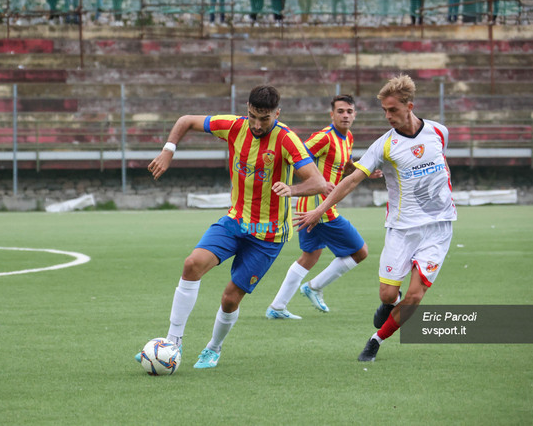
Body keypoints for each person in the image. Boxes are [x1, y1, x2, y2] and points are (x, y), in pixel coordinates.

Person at [139, 85, 327, 370]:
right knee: (192, 265)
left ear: (278, 113)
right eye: (253, 116)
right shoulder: (234, 127)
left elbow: (318, 182)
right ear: (247, 109)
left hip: (268, 235)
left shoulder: (287, 140)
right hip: (235, 220)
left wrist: (293, 188)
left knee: (229, 298)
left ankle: (213, 348)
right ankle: (172, 342)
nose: (257, 124)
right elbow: (185, 120)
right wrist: (168, 150)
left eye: (265, 119)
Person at [295, 74, 457, 363]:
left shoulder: (439, 132)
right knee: (387, 294)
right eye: (384, 110)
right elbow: (352, 180)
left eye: (393, 109)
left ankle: (375, 340)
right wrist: (319, 209)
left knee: (415, 297)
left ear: (410, 106)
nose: (388, 116)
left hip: (438, 228)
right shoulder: (383, 145)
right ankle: (389, 307)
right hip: (401, 229)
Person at [267, 95, 378, 320]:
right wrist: (317, 182)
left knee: (310, 256)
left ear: (355, 114)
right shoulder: (324, 138)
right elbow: (296, 158)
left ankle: (277, 307)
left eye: (349, 111)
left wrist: (362, 171)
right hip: (319, 209)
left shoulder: (347, 139)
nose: (345, 115)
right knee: (360, 251)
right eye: (340, 111)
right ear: (332, 115)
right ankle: (314, 287)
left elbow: (342, 167)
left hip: (316, 208)